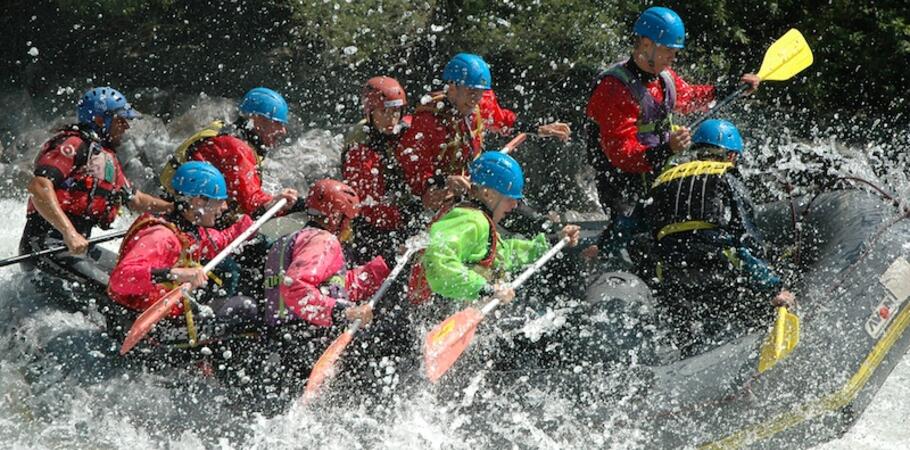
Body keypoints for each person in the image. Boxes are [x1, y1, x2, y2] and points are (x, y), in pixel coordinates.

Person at [584, 6, 760, 259]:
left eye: (675, 52)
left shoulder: (664, 78)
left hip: (657, 170)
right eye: (668, 50)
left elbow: (690, 98)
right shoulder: (613, 89)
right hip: (621, 183)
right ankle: (597, 256)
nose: (673, 57)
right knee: (631, 237)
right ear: (646, 44)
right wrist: (667, 148)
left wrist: (732, 89)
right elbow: (620, 156)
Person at [644, 119, 794, 355]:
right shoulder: (727, 176)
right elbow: (746, 237)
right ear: (732, 156)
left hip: (672, 271)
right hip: (718, 264)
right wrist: (773, 286)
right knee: (756, 294)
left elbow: (643, 228)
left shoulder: (663, 179)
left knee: (688, 331)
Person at [20, 86, 172, 294]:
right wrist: (69, 233)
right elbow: (39, 187)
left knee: (135, 276)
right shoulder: (72, 144)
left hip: (79, 245)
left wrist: (176, 207)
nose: (126, 126)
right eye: (120, 120)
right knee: (116, 292)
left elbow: (135, 199)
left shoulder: (105, 157)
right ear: (101, 120)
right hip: (47, 244)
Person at [397, 53, 571, 213]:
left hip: (472, 187)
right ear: (452, 88)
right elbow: (416, 172)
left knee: (517, 212)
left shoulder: (481, 104)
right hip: (440, 196)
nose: (474, 99)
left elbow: (503, 121)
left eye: (479, 92)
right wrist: (446, 181)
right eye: (470, 91)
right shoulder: (427, 121)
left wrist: (538, 129)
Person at [410, 151, 580, 306]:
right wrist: (486, 290)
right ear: (487, 194)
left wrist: (553, 241)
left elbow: (504, 255)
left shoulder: (480, 221)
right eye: (510, 199)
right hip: (436, 312)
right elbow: (438, 257)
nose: (515, 205)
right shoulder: (471, 220)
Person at [261, 178, 389, 328]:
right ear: (336, 216)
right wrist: (342, 312)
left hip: (281, 333)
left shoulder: (287, 240)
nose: (349, 228)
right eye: (348, 220)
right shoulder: (323, 240)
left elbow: (336, 284)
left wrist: (384, 266)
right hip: (307, 334)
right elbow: (295, 286)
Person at [159, 87, 299, 220]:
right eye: (277, 123)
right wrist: (297, 205)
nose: (283, 131)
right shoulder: (235, 148)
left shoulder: (226, 130)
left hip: (188, 210)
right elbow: (252, 204)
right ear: (257, 119)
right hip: (187, 215)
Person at [342, 76, 420, 263]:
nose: (391, 118)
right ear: (370, 113)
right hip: (371, 229)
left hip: (400, 218)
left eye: (395, 111)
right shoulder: (360, 149)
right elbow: (369, 205)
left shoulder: (406, 131)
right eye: (384, 112)